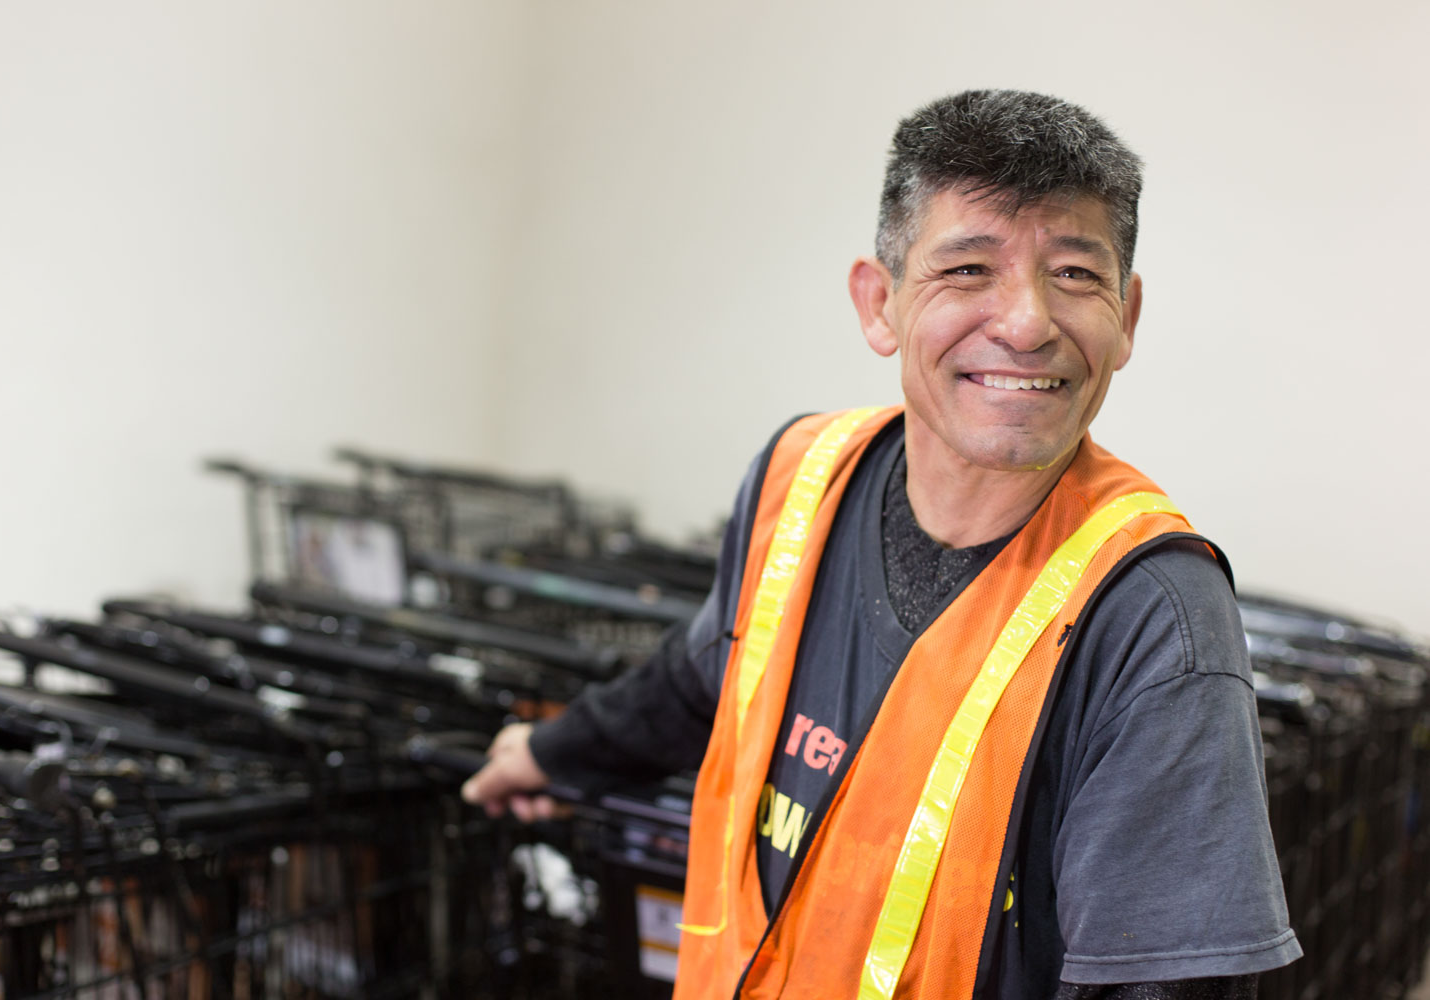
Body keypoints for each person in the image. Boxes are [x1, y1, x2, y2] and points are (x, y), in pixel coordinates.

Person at [462, 89, 1301, 999]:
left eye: (1073, 274)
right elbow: (711, 670)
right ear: (880, 304)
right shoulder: (802, 474)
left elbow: (1168, 984)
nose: (1026, 323)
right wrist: (553, 755)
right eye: (968, 269)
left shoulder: (1153, 618)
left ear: (1126, 317)